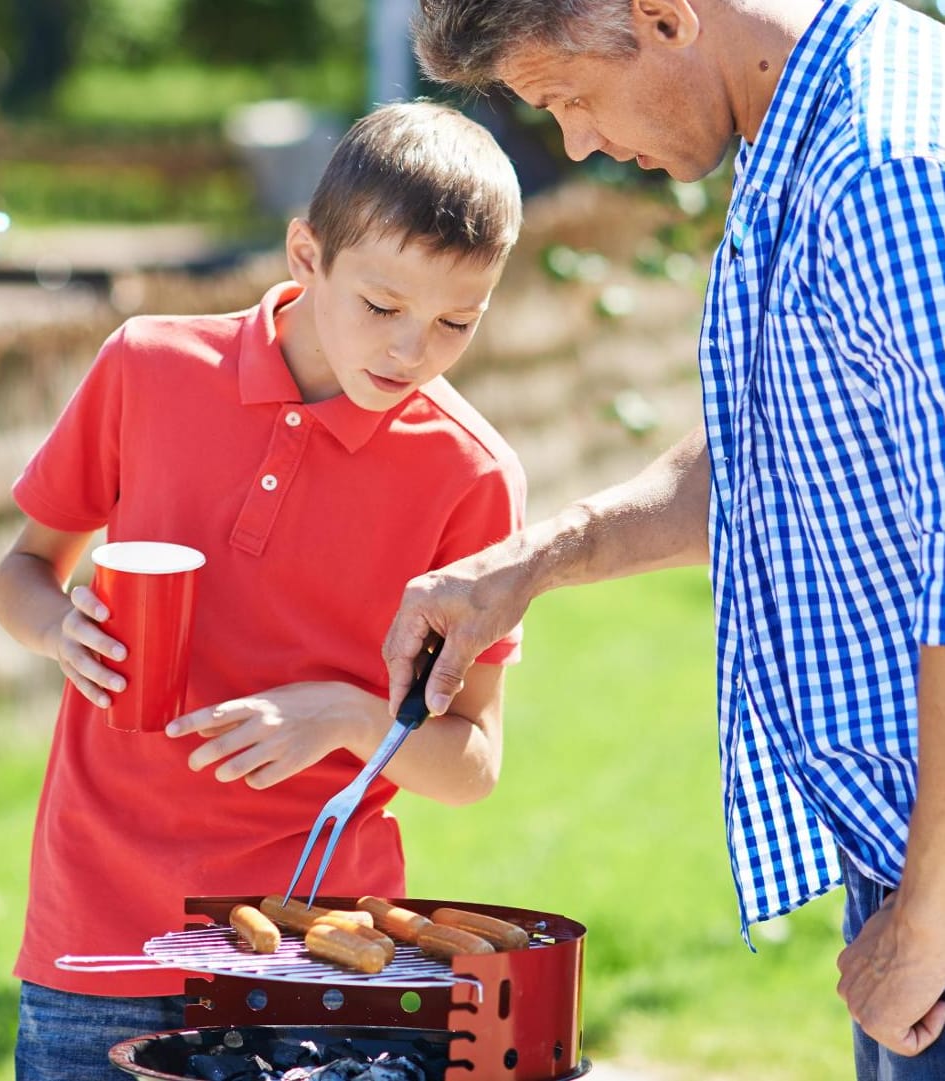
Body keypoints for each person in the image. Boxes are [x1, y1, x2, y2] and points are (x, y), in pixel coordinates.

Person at [387, 1, 945, 1076]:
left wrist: (926, 917)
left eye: (567, 100)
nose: (579, 144)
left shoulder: (888, 169)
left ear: (661, 15)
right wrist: (537, 557)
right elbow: (780, 447)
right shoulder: (810, 136)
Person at [0, 100, 528, 1081]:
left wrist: (349, 716)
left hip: (318, 952)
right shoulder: (146, 367)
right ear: (304, 255)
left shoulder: (470, 475)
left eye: (456, 321)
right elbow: (22, 572)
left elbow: (472, 760)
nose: (411, 352)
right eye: (383, 307)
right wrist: (59, 630)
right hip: (94, 922)